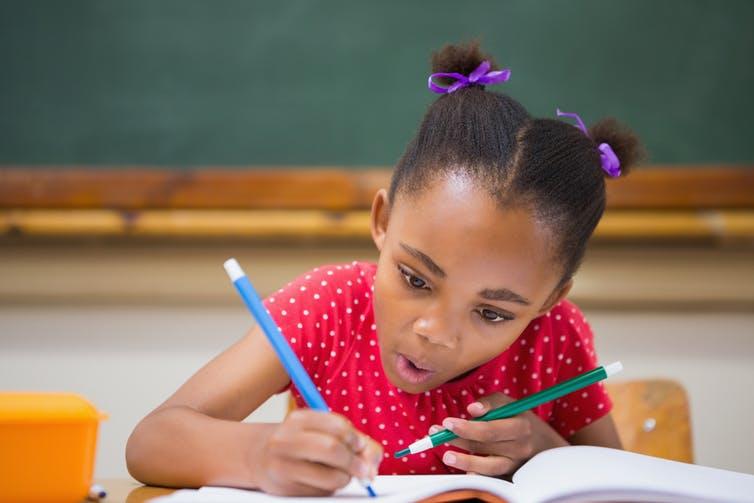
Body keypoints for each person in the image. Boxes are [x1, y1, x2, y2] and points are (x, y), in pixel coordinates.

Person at [126, 41, 643, 496]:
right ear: (383, 220)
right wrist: (257, 454)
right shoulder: (328, 305)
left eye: (490, 312)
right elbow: (151, 442)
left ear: (550, 299)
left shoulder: (555, 336)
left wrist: (543, 448)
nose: (434, 332)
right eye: (416, 279)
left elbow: (618, 483)